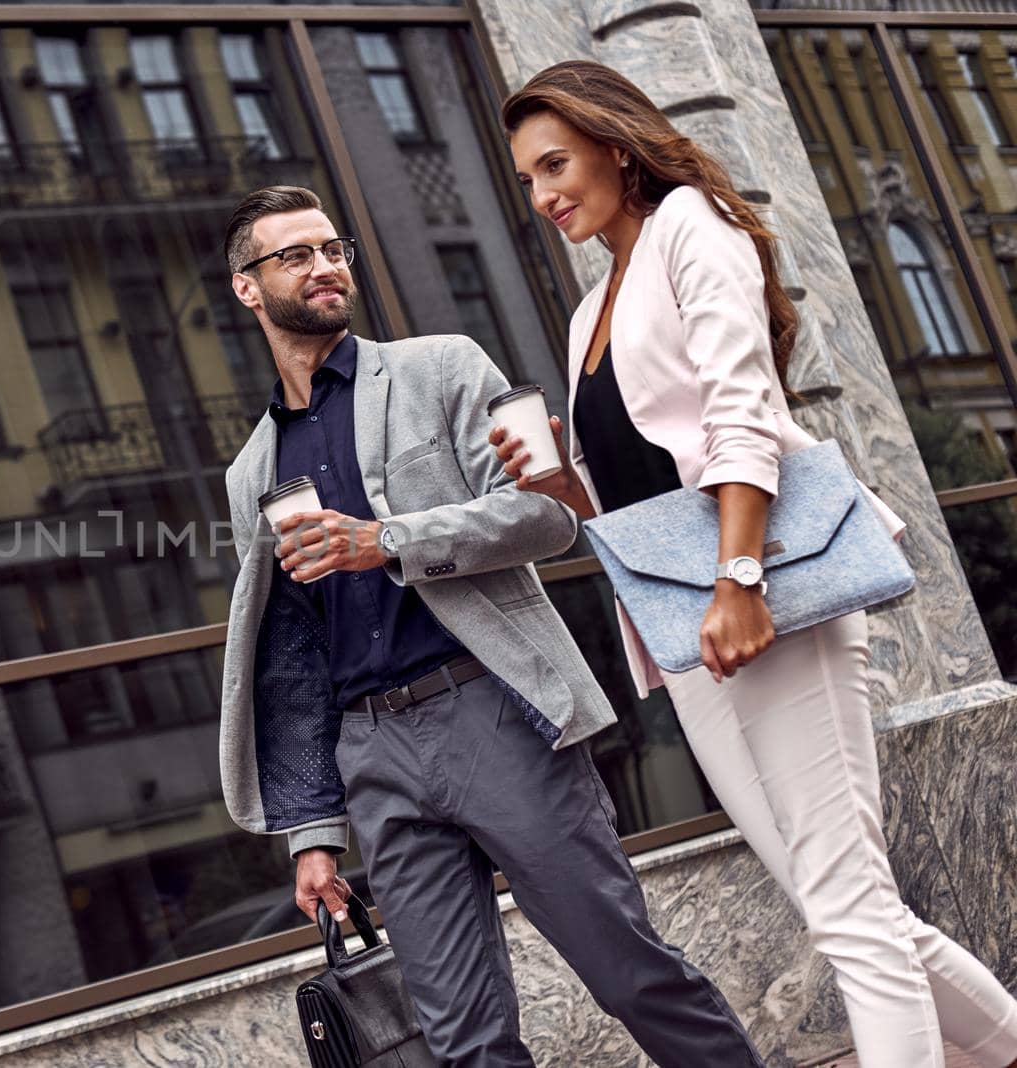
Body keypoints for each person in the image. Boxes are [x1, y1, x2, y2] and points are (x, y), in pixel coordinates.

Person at [498, 60, 1017, 1068]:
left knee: (850, 905)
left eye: (554, 163)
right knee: (837, 906)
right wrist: (567, 488)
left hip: (763, 587)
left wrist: (740, 582)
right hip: (678, 619)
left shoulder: (692, 223)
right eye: (525, 179)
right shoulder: (585, 309)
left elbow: (739, 412)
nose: (543, 194)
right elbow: (648, 472)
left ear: (613, 142)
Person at [217, 184, 765, 1066]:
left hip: (492, 714)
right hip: (374, 757)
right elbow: (294, 658)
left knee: (629, 973)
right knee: (463, 1042)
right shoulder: (253, 469)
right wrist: (313, 834)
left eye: (333, 249)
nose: (325, 267)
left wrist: (386, 540)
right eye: (295, 256)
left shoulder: (438, 370)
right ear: (248, 288)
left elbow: (547, 518)